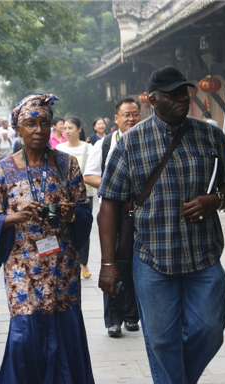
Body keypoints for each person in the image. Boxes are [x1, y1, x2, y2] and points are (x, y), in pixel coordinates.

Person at [98, 66, 225, 384]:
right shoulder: (130, 143)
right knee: (162, 339)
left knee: (210, 328)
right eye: (173, 94)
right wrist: (108, 264)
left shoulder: (210, 135)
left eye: (184, 93)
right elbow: (109, 205)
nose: (181, 99)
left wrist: (214, 200)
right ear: (152, 100)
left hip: (203, 254)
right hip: (152, 258)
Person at [0, 94, 97, 384]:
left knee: (62, 329)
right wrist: (14, 217)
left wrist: (72, 212)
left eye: (44, 123)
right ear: (18, 129)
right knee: (24, 336)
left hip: (62, 268)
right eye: (30, 123)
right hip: (22, 269)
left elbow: (84, 209)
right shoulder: (2, 170)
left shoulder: (67, 164)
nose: (38, 129)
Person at [83, 98, 142, 338]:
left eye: (135, 114)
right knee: (112, 262)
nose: (132, 118)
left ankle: (132, 315)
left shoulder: (148, 140)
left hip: (140, 210)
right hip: (113, 211)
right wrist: (117, 187)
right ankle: (114, 319)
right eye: (126, 115)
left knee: (137, 263)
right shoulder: (105, 144)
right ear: (116, 119)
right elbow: (89, 175)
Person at [57, 116, 94, 279]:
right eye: (64, 128)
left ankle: (83, 261)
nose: (67, 131)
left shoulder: (89, 148)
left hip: (84, 195)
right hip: (64, 196)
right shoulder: (59, 149)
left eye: (70, 128)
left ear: (79, 129)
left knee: (83, 225)